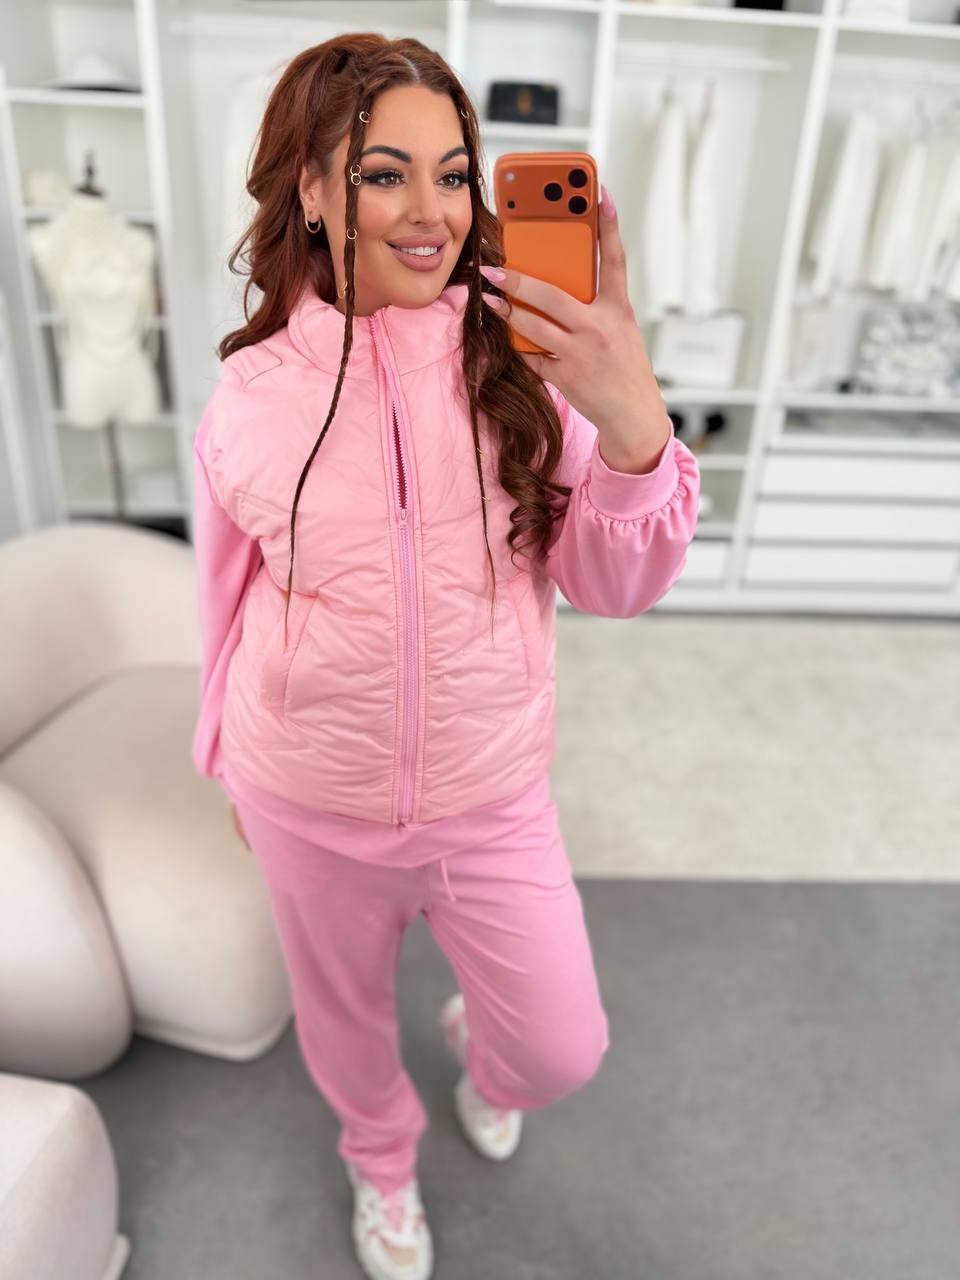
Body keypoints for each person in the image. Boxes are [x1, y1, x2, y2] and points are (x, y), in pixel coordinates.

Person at [191, 32, 700, 1280]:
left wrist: (633, 422)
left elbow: (615, 585)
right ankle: (380, 1162)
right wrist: (225, 759)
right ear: (314, 190)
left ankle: (483, 1044)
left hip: (489, 792)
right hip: (308, 791)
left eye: (455, 173)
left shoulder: (526, 358)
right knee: (346, 1023)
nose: (433, 211)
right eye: (385, 174)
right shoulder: (251, 394)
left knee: (559, 1048)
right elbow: (223, 594)